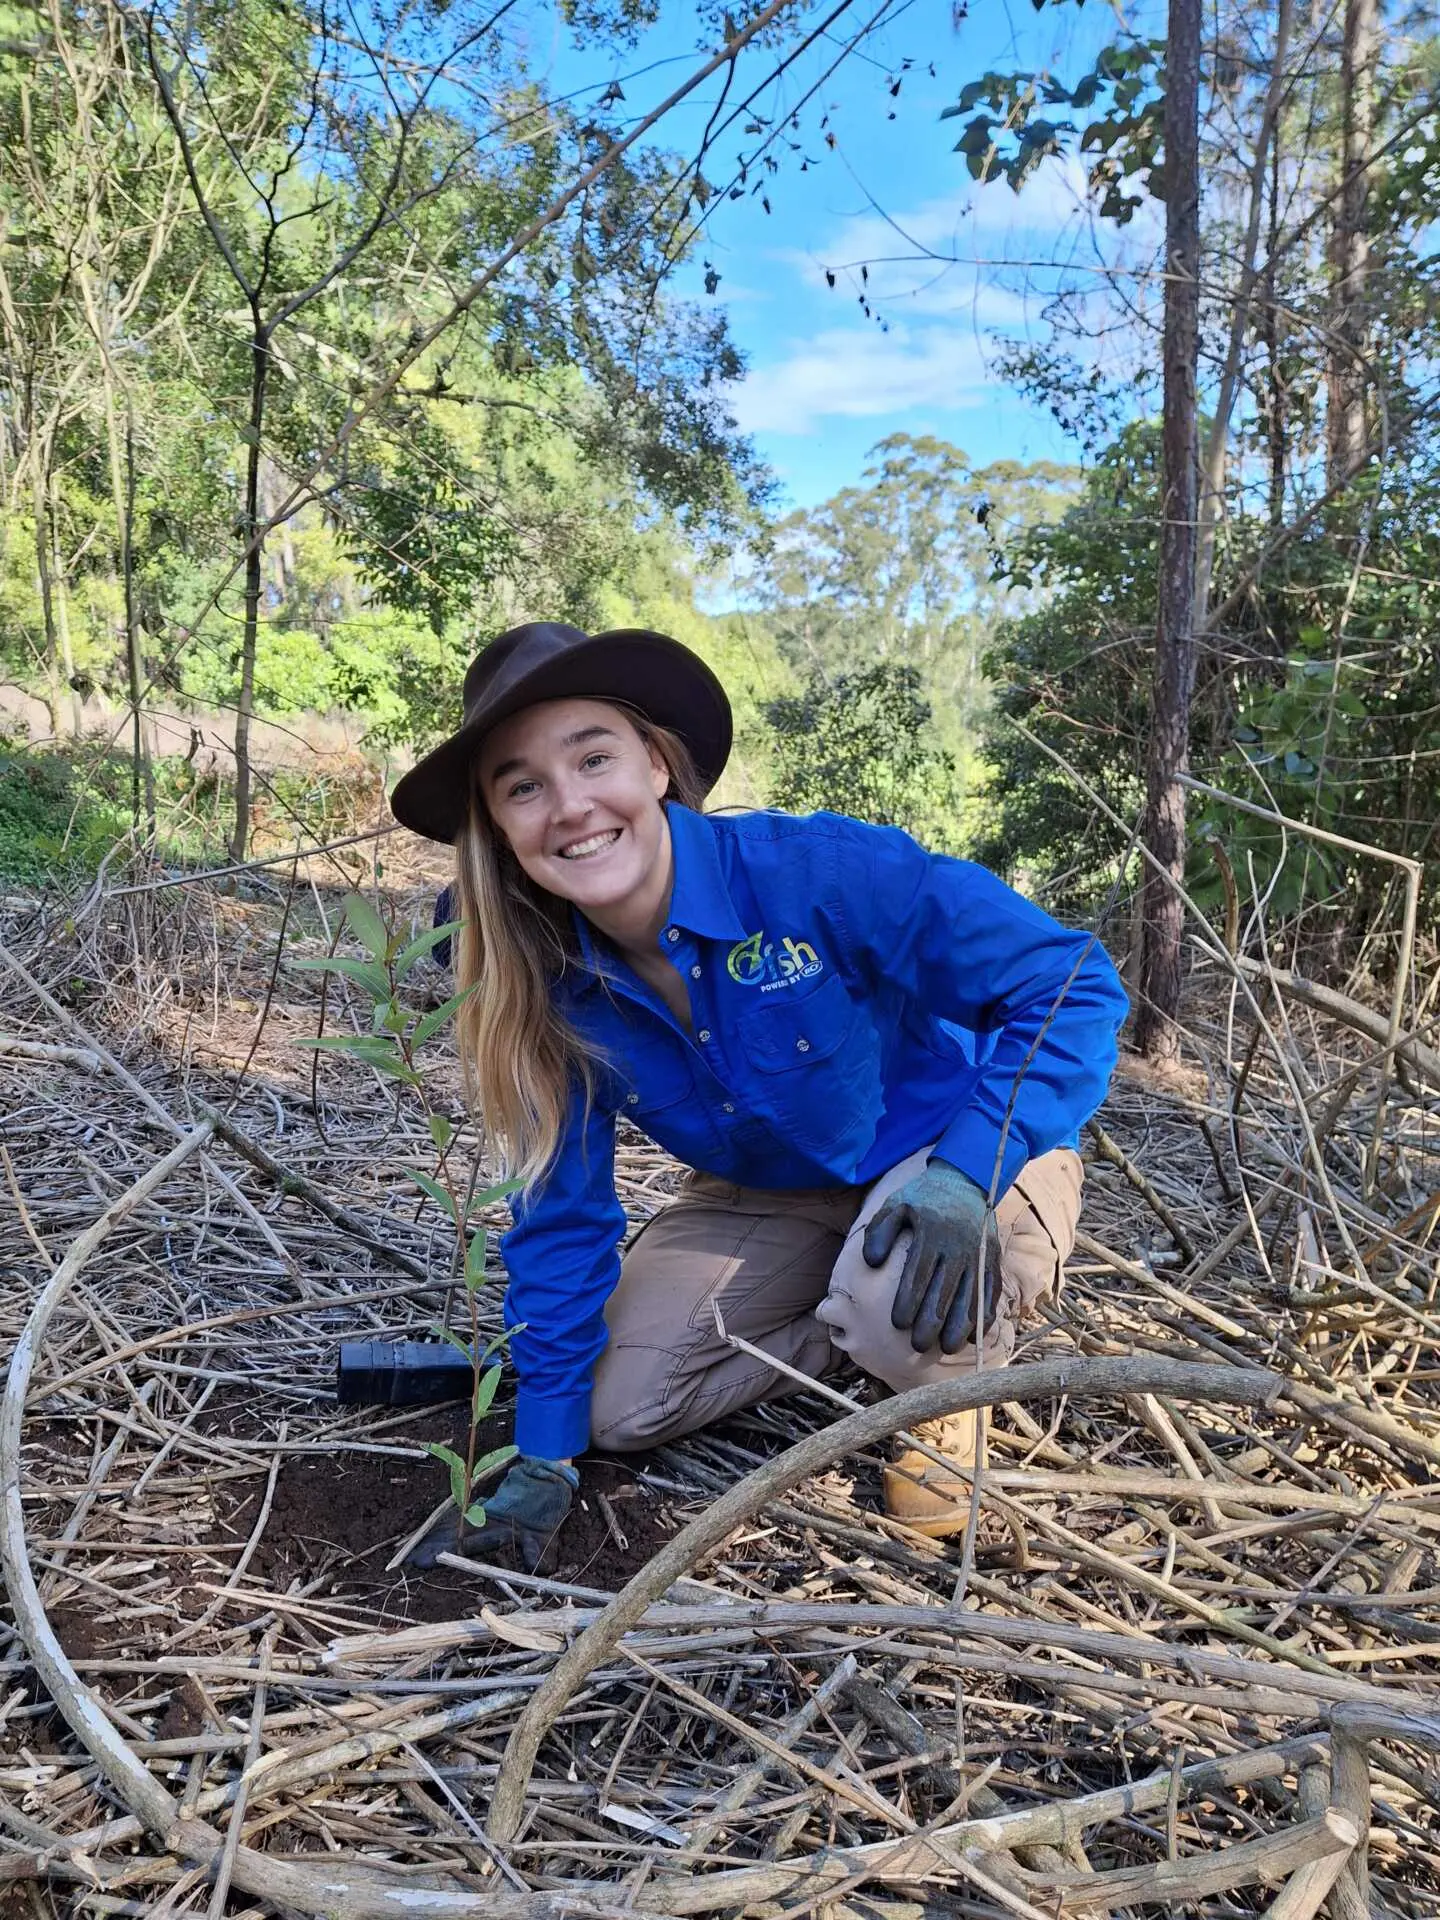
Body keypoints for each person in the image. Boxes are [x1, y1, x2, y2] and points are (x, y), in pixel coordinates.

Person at [390, 622, 1127, 1569]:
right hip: (766, 1191)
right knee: (614, 1413)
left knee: (900, 1315)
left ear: (657, 765)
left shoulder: (815, 874)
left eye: (594, 757)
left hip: (945, 1152)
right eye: (522, 785)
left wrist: (971, 1169)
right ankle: (859, 1325)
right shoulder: (540, 978)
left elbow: (1071, 981)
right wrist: (544, 1453)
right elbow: (559, 1212)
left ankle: (931, 1367)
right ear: (497, 826)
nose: (568, 806)